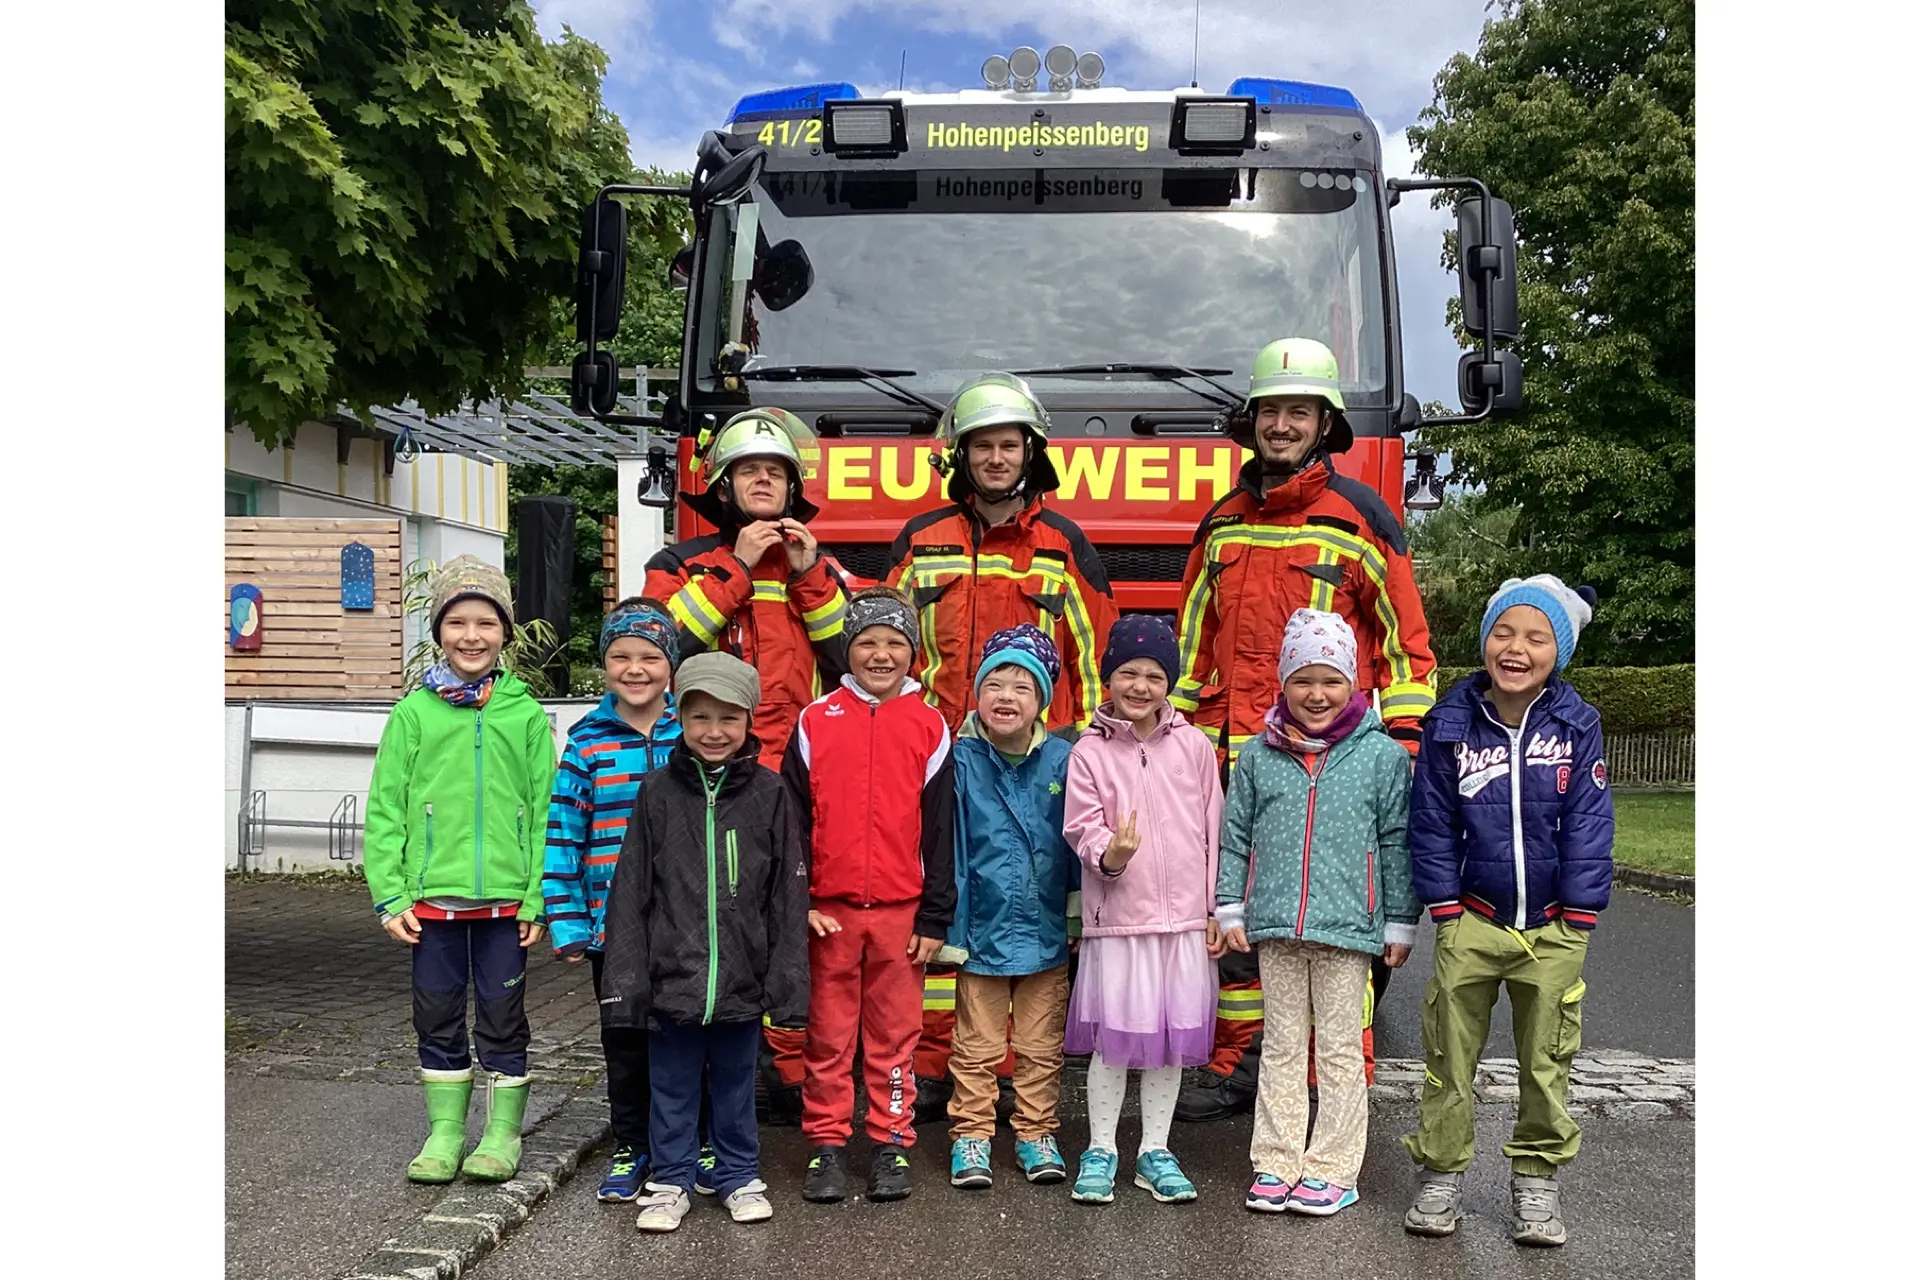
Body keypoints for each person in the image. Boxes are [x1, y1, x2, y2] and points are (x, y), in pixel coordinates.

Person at [1169, 337, 1436, 1124]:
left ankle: (1332, 1075)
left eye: (1298, 411)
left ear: (1325, 423)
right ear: (1249, 422)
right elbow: (1191, 650)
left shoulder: (1362, 519)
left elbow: (1407, 646)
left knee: (1334, 922)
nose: (1281, 425)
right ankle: (1241, 1064)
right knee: (1239, 914)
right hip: (1233, 760)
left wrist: (1406, 749)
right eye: (1269, 411)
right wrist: (1169, 749)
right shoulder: (1219, 524)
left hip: (1331, 767)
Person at [884, 372, 1115, 1124]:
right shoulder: (921, 542)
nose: (994, 457)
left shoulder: (1061, 545)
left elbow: (1093, 656)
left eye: (1007, 443)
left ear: (1030, 451)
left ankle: (1013, 1077)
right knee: (940, 901)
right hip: (940, 758)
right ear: (961, 455)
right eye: (981, 444)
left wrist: (1076, 757)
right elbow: (888, 648)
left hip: (1030, 766)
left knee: (1025, 902)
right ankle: (931, 1067)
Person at [642, 405, 847, 1125]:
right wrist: (736, 567)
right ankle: (720, 1064)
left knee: (782, 913)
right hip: (704, 771)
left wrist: (808, 574)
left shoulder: (816, 566)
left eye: (777, 472)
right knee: (710, 911)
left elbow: (850, 656)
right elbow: (664, 644)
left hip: (790, 773)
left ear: (795, 488)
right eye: (750, 471)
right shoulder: (678, 564)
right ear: (723, 487)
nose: (764, 481)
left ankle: (785, 1071)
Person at [1401, 576, 1612, 1248]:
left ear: (1560, 651)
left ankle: (1537, 1182)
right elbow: (1430, 821)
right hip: (1472, 920)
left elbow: (1589, 821)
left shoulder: (1577, 724)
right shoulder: (1450, 724)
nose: (1516, 648)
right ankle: (1440, 1175)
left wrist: (1578, 916)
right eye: (1504, 631)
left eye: (1536, 637)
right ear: (1486, 638)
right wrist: (1444, 910)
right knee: (1449, 1057)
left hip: (1553, 929)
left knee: (1547, 1060)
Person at [598, 652, 812, 1233]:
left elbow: (788, 895)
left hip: (742, 975)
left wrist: (787, 981)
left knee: (738, 1084)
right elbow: (632, 889)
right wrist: (627, 980)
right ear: (679, 718)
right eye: (699, 719)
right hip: (674, 977)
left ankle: (739, 1174)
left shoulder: (769, 794)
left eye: (728, 719)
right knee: (670, 1084)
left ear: (748, 723)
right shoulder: (657, 792)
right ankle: (670, 1180)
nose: (713, 733)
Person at [1216, 609, 1416, 1217]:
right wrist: (1229, 905)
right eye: (1303, 679)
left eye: (1331, 679)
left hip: (1349, 929)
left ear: (1353, 683)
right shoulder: (1257, 755)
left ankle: (1333, 1167)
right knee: (1278, 1045)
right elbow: (1235, 835)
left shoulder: (1380, 756)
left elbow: (1395, 841)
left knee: (1337, 1049)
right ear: (1284, 683)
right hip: (1275, 925)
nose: (1317, 694)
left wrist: (1399, 920)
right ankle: (1275, 1161)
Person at [362, 557, 556, 1184]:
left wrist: (536, 898)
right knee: (437, 1014)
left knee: (503, 1016)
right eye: (457, 623)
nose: (472, 636)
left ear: (505, 632)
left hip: (505, 907)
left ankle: (502, 1133)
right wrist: (390, 895)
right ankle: (446, 1131)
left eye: (486, 623)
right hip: (431, 907)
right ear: (438, 631)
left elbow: (545, 812)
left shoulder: (525, 715)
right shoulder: (413, 714)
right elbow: (386, 807)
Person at [782, 587, 956, 1204]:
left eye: (894, 643)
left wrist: (935, 914)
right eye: (866, 642)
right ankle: (827, 1145)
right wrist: (797, 900)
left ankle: (890, 1144)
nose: (880, 655)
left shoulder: (931, 724)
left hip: (902, 915)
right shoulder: (814, 719)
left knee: (894, 1037)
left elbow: (940, 829)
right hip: (827, 912)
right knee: (828, 1036)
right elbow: (793, 822)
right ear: (846, 651)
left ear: (913, 652)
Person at [1060, 616, 1224, 1206]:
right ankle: (1101, 1147)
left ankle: (1155, 1149)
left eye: (1155, 675)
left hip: (1183, 923)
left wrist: (1215, 910)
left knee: (1170, 1038)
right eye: (1128, 672)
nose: (1141, 685)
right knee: (1116, 1040)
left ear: (1169, 684)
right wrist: (1111, 853)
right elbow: (1079, 825)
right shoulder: (1088, 752)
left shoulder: (1195, 746)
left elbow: (1216, 829)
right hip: (1120, 923)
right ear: (1108, 679)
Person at [541, 598, 684, 1203]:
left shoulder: (693, 733)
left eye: (650, 656)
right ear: (603, 665)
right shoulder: (587, 745)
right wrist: (568, 919)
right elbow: (563, 835)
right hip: (612, 929)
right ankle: (633, 1145)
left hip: (686, 927)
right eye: (620, 656)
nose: (635, 668)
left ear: (671, 665)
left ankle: (693, 1140)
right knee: (624, 1041)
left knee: (683, 1037)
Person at [943, 625, 1079, 1192]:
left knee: (1041, 1046)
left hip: (1046, 930)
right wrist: (952, 927)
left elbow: (1077, 843)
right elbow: (950, 847)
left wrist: (1074, 915)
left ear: (1042, 701)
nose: (1006, 696)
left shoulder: (1065, 760)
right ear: (977, 694)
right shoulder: (959, 759)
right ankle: (971, 1135)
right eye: (994, 683)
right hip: (981, 932)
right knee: (974, 1046)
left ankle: (1034, 1133)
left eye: (1023, 687)